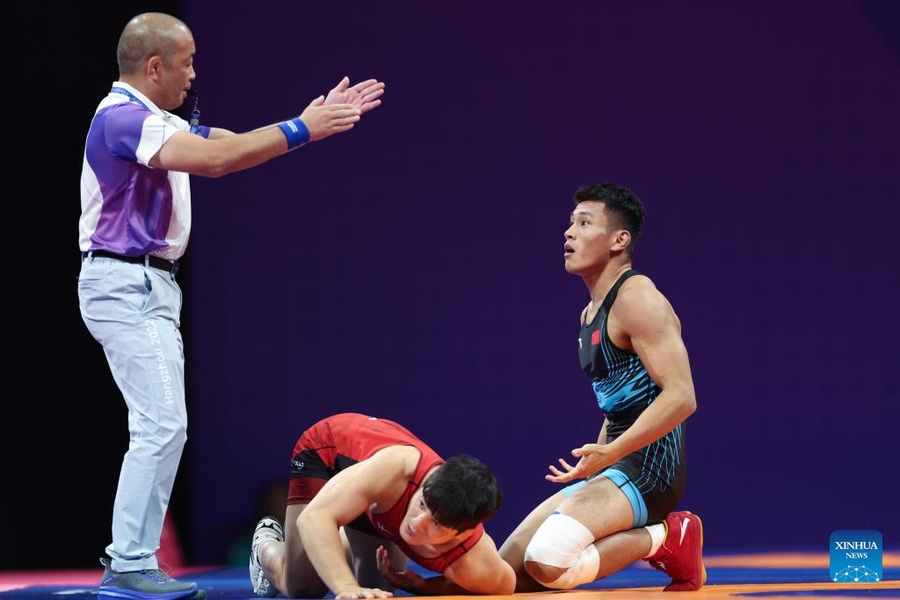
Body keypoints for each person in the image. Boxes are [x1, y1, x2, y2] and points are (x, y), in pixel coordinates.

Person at [77, 12, 384, 600]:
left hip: (147, 284)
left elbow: (227, 144)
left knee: (162, 425)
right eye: (187, 62)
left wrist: (307, 125)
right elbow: (217, 162)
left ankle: (132, 561)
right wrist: (301, 127)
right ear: (154, 66)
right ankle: (128, 562)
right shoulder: (122, 118)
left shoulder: (157, 120)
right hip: (125, 283)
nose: (194, 73)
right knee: (162, 425)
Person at [496, 182, 706, 592]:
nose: (568, 232)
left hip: (651, 472)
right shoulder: (589, 314)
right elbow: (619, 407)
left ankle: (668, 537)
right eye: (570, 222)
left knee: (546, 561)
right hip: (617, 463)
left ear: (618, 240)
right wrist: (596, 463)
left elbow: (682, 397)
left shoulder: (637, 298)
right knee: (506, 574)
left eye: (584, 223)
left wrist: (612, 453)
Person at [248, 412, 516, 598]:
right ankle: (265, 545)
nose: (416, 523)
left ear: (461, 533)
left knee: (376, 589)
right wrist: (345, 586)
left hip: (372, 497)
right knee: (304, 587)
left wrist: (420, 585)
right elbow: (314, 518)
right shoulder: (396, 470)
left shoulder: (477, 563)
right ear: (423, 487)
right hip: (329, 454)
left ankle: (340, 530)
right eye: (422, 504)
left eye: (435, 523)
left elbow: (504, 587)